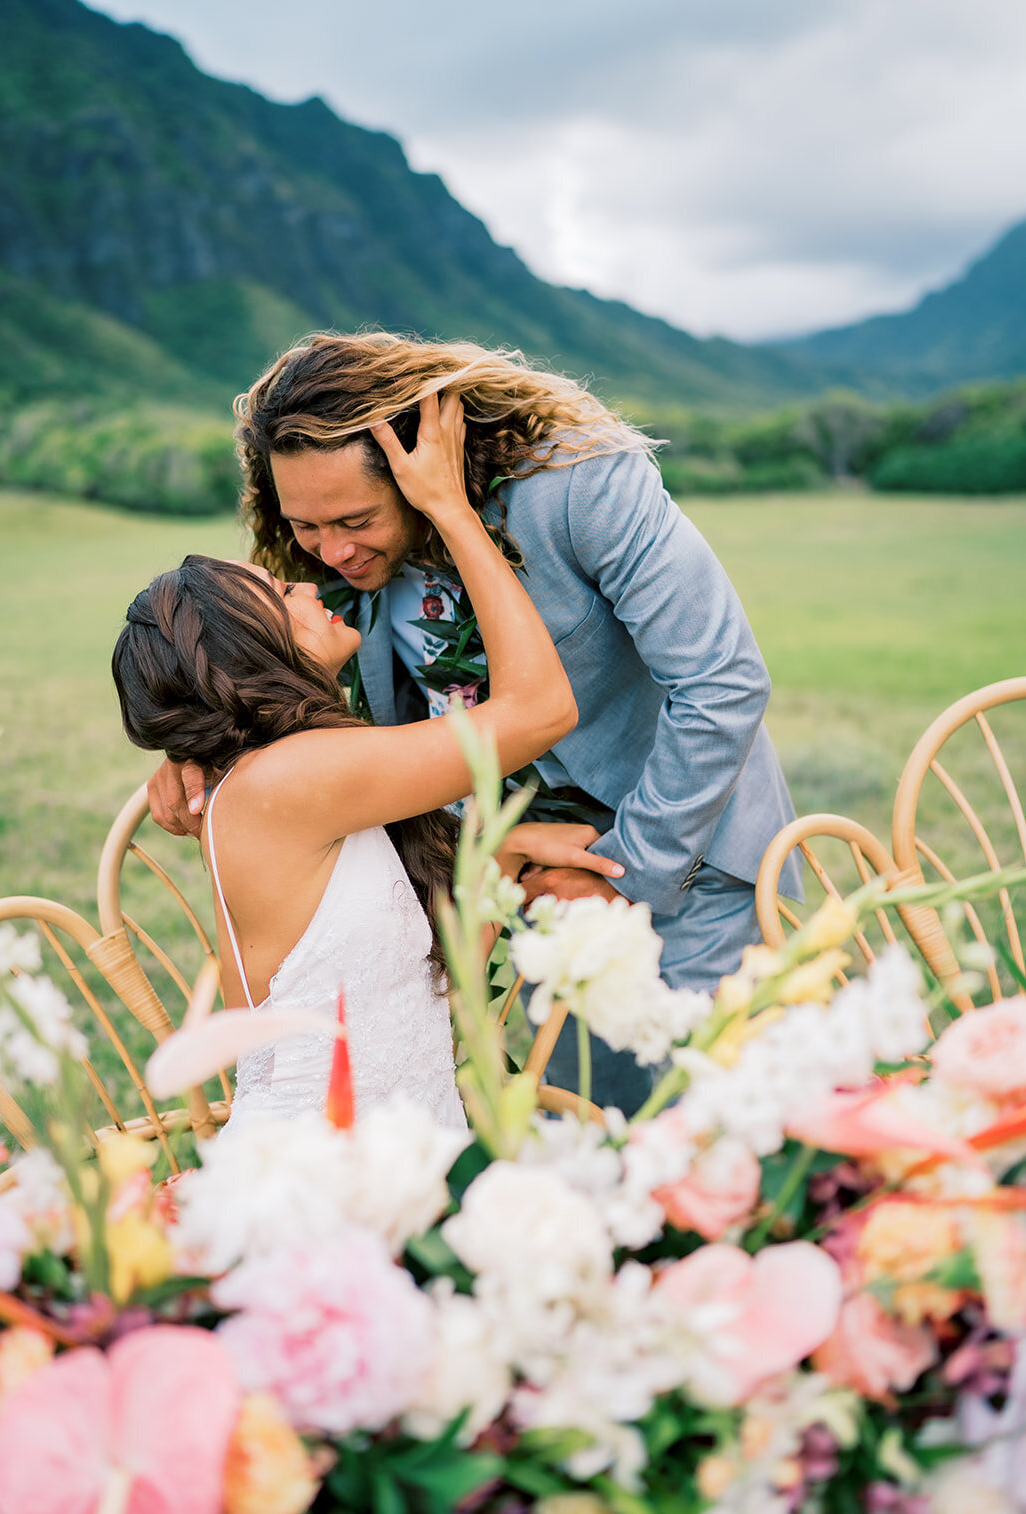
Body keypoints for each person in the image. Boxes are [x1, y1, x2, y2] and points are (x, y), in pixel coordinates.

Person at [150, 333, 802, 1113]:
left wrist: (632, 870)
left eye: (352, 518)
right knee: (602, 1126)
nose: (329, 552)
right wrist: (206, 744)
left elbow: (719, 680)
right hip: (525, 888)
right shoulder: (337, 557)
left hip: (692, 867)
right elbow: (262, 651)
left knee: (747, 1126)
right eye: (306, 526)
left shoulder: (581, 483)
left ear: (420, 465)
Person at [114, 393, 622, 1128]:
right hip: (328, 1172)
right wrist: (449, 508)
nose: (305, 581)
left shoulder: (285, 777)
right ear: (252, 653)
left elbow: (417, 997)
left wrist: (504, 848)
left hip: (401, 1153)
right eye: (276, 593)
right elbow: (540, 710)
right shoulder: (294, 777)